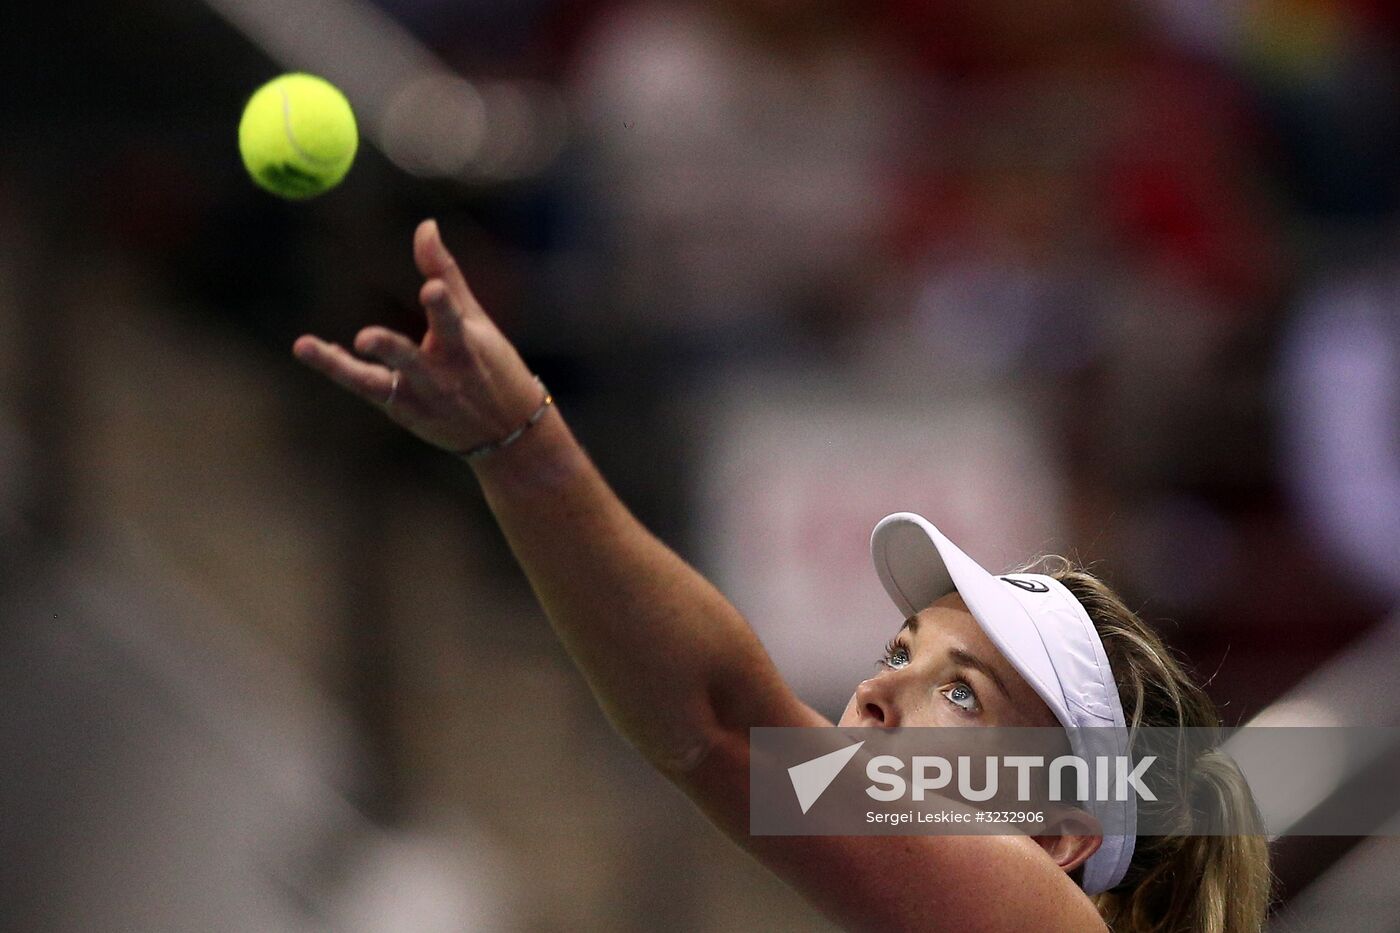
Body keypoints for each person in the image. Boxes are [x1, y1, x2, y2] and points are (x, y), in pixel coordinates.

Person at [293, 220, 1272, 932]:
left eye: (961, 693)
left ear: (1059, 833)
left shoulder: (1033, 915)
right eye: (901, 649)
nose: (878, 688)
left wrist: (522, 448)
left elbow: (718, 727)